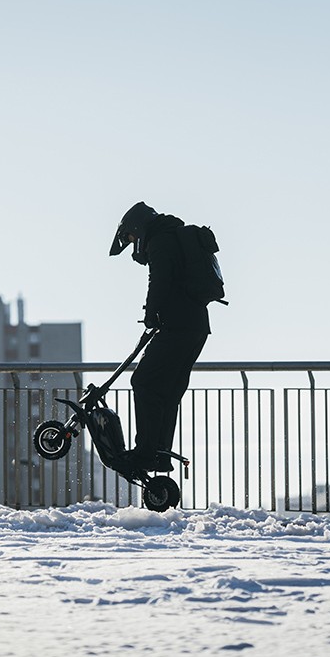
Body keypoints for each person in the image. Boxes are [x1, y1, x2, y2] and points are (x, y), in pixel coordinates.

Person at [108, 201, 210, 473]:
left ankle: (145, 453)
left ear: (138, 229)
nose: (132, 244)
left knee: (143, 381)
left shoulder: (160, 242)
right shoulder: (173, 237)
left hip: (177, 326)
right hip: (195, 326)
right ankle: (159, 454)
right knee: (168, 392)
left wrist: (151, 315)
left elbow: (160, 281)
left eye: (130, 238)